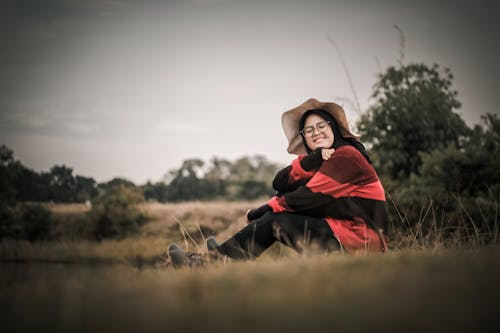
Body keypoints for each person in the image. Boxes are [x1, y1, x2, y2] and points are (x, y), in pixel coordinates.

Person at [168, 98, 388, 266]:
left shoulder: (346, 156)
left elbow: (307, 198)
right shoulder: (323, 161)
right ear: (304, 137)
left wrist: (258, 211)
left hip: (361, 245)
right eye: (309, 130)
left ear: (334, 129)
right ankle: (224, 256)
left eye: (322, 126)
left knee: (276, 220)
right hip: (343, 235)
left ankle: (213, 262)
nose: (316, 132)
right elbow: (280, 182)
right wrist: (314, 158)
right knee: (277, 215)